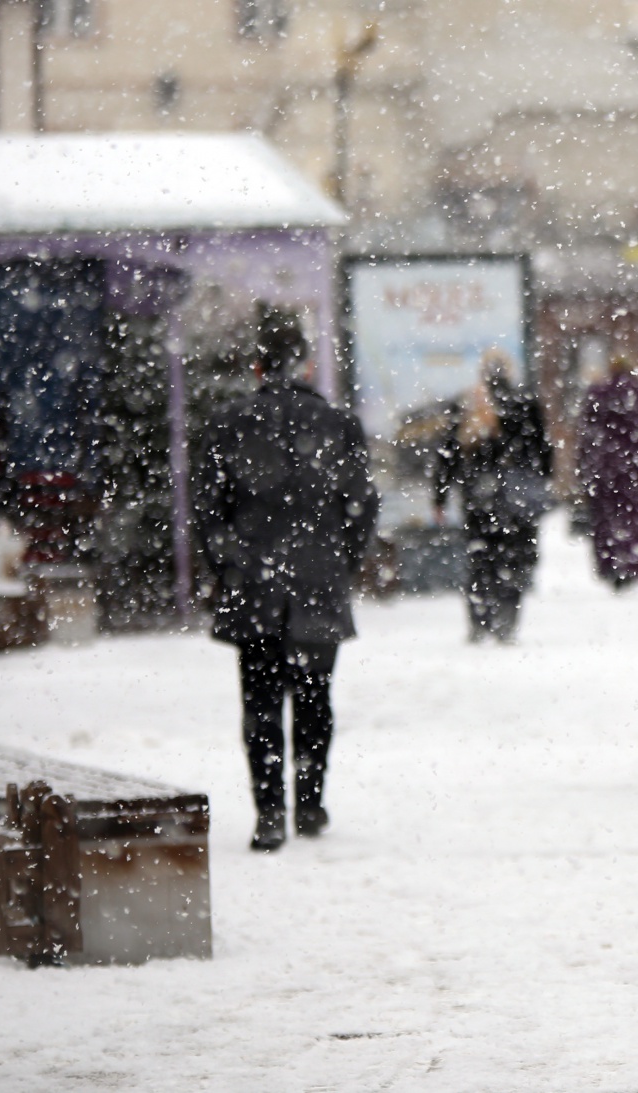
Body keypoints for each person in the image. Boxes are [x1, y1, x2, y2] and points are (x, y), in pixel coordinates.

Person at [194, 307, 378, 852]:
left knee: (260, 702)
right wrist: (340, 564)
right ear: (306, 364)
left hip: (254, 582)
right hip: (318, 580)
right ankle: (311, 802)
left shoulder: (228, 425)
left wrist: (229, 568)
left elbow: (209, 513)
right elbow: (361, 508)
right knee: (316, 698)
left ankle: (270, 811)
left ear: (257, 365)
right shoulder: (339, 426)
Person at [435, 351, 553, 643]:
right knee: (514, 560)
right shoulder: (525, 403)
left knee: (480, 560)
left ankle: (479, 620)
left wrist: (440, 494)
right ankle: (506, 622)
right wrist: (540, 482)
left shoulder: (469, 403)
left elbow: (448, 453)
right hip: (517, 500)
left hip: (478, 497)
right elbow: (544, 451)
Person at [578, 354, 638, 587]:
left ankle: (609, 563)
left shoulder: (598, 392)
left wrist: (586, 465)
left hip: (603, 464)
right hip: (635, 463)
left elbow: (586, 430)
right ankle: (631, 563)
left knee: (605, 516)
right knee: (633, 515)